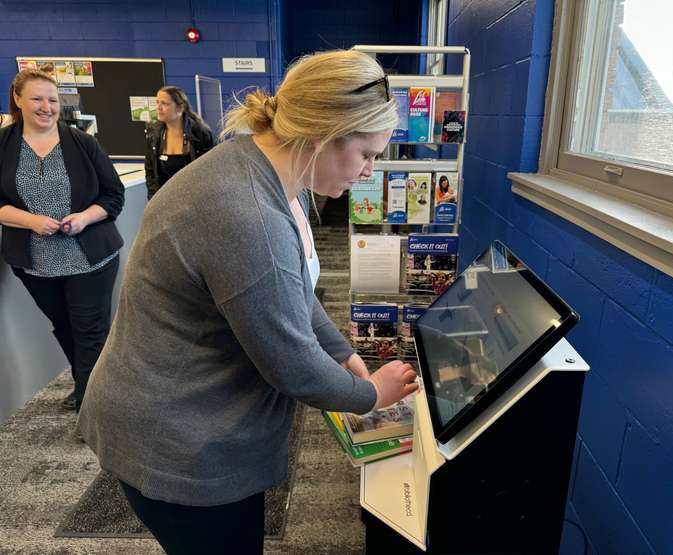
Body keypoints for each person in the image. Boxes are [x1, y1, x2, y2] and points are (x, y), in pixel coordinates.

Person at [77, 49, 418, 554]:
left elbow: (294, 289)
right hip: (178, 441)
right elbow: (293, 367)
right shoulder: (249, 215)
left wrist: (344, 354)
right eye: (367, 154)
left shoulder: (269, 168)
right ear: (324, 137)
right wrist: (371, 396)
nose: (369, 171)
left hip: (180, 412)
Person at [0, 69, 125, 411]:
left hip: (91, 257)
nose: (47, 107)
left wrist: (85, 217)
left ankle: (93, 405)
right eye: (37, 98)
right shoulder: (4, 144)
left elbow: (114, 195)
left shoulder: (82, 143)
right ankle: (88, 382)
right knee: (65, 326)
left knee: (90, 329)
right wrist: (30, 221)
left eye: (53, 100)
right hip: (34, 262)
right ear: (18, 99)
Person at [144, 85, 214, 199]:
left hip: (195, 200)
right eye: (157, 102)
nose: (158, 107)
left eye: (164, 103)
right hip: (164, 200)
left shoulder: (201, 133)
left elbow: (210, 172)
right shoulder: (154, 134)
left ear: (180, 107)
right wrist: (154, 200)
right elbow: (150, 172)